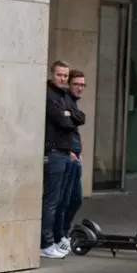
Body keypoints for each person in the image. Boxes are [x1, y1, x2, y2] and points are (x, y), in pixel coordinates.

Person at [40, 61, 85, 259]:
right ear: (52, 74)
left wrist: (69, 114)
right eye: (60, 75)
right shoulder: (50, 95)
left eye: (66, 76)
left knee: (64, 200)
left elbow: (78, 117)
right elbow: (63, 120)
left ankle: (57, 238)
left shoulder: (64, 96)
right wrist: (68, 116)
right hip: (55, 152)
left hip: (66, 153)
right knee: (52, 201)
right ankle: (46, 242)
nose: (63, 79)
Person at [54, 70, 87, 254]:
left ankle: (63, 233)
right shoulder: (64, 99)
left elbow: (81, 118)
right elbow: (66, 125)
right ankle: (59, 236)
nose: (79, 88)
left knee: (75, 199)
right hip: (67, 155)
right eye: (76, 84)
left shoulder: (72, 104)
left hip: (74, 154)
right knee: (63, 200)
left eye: (82, 85)